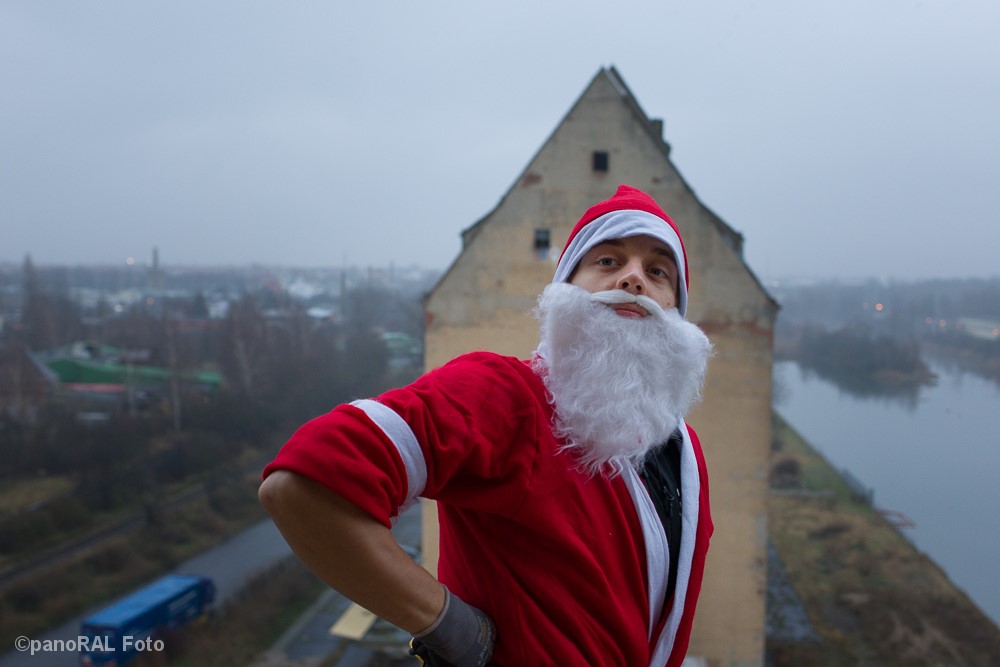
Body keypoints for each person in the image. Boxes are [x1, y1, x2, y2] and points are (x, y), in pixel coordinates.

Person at [259, 184, 715, 667]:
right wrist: (449, 626)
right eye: (607, 261)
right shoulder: (505, 396)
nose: (633, 280)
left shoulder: (683, 451)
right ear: (566, 288)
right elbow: (299, 489)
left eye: (657, 271)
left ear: (676, 310)